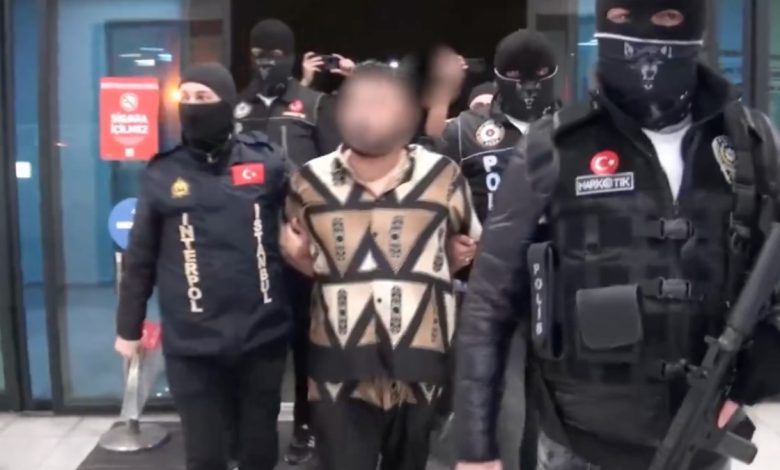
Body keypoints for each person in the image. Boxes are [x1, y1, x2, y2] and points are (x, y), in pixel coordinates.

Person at [454, 1, 780, 470]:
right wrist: (476, 446)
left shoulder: (749, 140)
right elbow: (490, 300)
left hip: (702, 438)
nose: (643, 36)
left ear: (694, 26)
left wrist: (766, 353)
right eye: (623, 18)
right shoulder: (554, 145)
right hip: (578, 442)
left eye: (666, 16)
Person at [281, 61, 482, 470]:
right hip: (339, 367)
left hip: (420, 364)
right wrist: (300, 259)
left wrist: (448, 258)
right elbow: (300, 256)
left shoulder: (443, 176)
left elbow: (468, 247)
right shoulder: (308, 182)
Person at [114, 63, 291, 470]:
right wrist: (128, 327)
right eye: (186, 98)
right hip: (192, 343)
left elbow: (308, 213)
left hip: (261, 336)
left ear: (226, 104)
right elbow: (140, 257)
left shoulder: (267, 162)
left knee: (258, 450)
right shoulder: (162, 172)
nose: (193, 107)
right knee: (206, 454)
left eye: (204, 98)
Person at [234, 18, 341, 464]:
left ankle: (305, 425)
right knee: (258, 345)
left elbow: (338, 170)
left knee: (306, 341)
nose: (267, 63)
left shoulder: (313, 104)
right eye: (260, 55)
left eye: (277, 55)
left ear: (292, 58)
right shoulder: (237, 107)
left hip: (304, 246)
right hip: (252, 246)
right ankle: (255, 432)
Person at [440, 29, 559, 223]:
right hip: (489, 239)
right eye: (516, 75)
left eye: (540, 74)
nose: (529, 87)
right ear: (499, 78)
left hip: (558, 239)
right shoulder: (464, 130)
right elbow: (434, 198)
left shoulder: (572, 127)